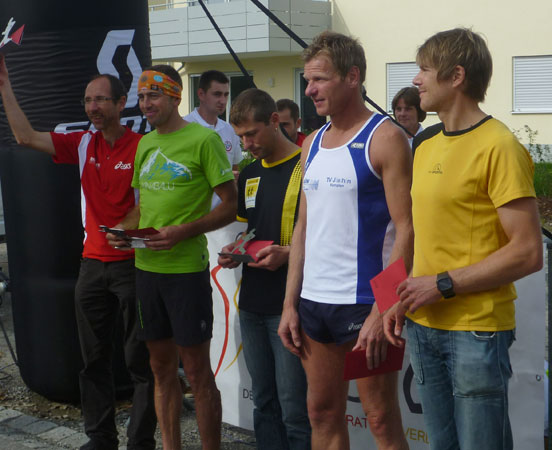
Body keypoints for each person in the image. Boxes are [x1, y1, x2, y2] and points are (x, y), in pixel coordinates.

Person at [0, 54, 157, 450]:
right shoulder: (82, 144)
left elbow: (150, 201)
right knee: (93, 360)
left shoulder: (143, 146)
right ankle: (101, 438)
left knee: (140, 361)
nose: (93, 107)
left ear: (121, 103)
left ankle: (141, 442)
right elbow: (25, 137)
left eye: (100, 100)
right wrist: (3, 83)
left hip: (134, 265)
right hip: (92, 266)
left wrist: (126, 226)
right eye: (88, 100)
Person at [384, 28, 543, 450]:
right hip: (422, 324)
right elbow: (410, 232)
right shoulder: (424, 144)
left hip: (475, 331)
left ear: (456, 76)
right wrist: (391, 299)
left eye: (424, 69)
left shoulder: (500, 146)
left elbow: (528, 252)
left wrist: (441, 284)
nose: (416, 79)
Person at [277, 31, 413, 450]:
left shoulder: (385, 137)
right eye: (307, 80)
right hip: (315, 302)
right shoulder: (311, 142)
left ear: (352, 77)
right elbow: (303, 226)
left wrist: (383, 308)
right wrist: (290, 303)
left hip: (365, 302)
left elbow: (407, 229)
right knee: (321, 413)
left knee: (380, 419)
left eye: (319, 79)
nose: (309, 90)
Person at [107, 65, 237, 450]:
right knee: (161, 370)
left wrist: (183, 231)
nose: (146, 103)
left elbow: (230, 206)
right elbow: (140, 208)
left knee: (196, 373)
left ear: (175, 97)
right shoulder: (145, 144)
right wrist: (122, 230)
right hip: (147, 271)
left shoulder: (204, 139)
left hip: (185, 273)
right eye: (142, 97)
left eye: (154, 95)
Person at [218, 88, 311, 450]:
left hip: (291, 305)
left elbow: (328, 235)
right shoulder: (250, 172)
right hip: (252, 302)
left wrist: (288, 254)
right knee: (264, 402)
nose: (247, 144)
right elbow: (252, 229)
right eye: (241, 137)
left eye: (252, 134)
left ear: (275, 121)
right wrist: (236, 249)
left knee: (294, 410)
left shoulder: (307, 165)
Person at [185, 70, 243, 209]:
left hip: (224, 213)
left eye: (226, 94)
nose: (223, 101)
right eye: (217, 94)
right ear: (201, 94)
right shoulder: (184, 127)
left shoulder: (229, 130)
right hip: (193, 213)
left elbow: (234, 169)